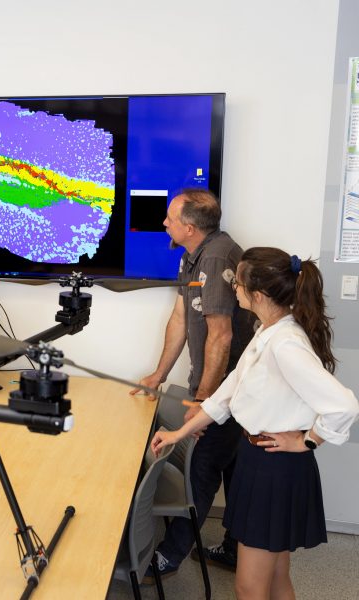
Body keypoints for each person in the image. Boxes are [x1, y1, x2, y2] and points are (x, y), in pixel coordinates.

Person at [151, 247, 359, 599]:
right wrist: (180, 431)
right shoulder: (268, 332)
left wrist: (307, 440)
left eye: (237, 283)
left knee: (249, 588)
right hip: (261, 462)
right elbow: (227, 394)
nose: (232, 287)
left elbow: (344, 405)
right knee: (276, 578)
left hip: (274, 469)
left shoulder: (285, 344)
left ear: (258, 295)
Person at [130, 188, 256, 580]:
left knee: (202, 469)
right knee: (234, 465)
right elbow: (181, 319)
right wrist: (159, 374)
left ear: (188, 227)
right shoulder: (193, 255)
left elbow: (220, 335)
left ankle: (168, 556)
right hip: (221, 391)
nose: (163, 223)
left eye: (169, 219)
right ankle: (237, 546)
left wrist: (204, 402)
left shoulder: (217, 256)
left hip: (230, 392)